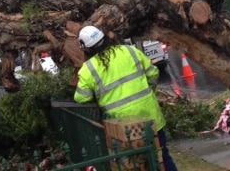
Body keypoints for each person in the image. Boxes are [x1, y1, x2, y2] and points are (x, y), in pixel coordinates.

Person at [74, 25, 178, 171]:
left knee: (133, 164)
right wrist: (149, 92)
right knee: (162, 157)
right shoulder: (130, 51)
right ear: (104, 38)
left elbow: (80, 98)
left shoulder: (88, 69)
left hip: (122, 126)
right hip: (150, 116)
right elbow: (153, 74)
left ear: (87, 49)